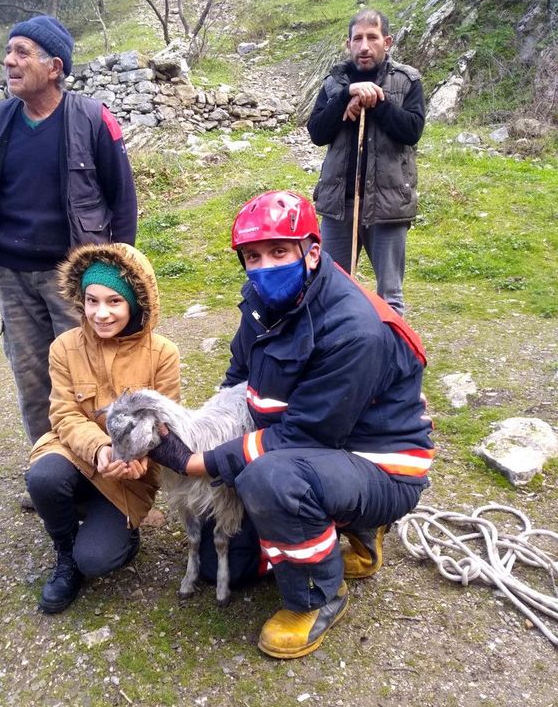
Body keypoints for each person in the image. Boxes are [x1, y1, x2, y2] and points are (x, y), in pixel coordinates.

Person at [148, 190, 434, 659]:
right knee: (232, 570)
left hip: (377, 465)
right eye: (253, 256)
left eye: (280, 252)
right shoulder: (261, 302)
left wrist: (197, 459)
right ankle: (347, 528)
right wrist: (205, 429)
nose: (265, 266)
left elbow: (302, 437)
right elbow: (239, 380)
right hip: (318, 451)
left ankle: (318, 598)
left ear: (312, 251)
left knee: (269, 478)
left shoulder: (354, 329)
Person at [0, 14, 138, 443]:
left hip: (75, 275)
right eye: (8, 51)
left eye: (22, 52)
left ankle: (105, 471)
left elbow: (122, 199)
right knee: (31, 379)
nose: (9, 61)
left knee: (90, 374)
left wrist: (117, 271)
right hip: (13, 274)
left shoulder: (92, 119)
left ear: (55, 67)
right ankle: (51, 466)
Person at [26, 241, 180, 613]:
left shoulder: (163, 354)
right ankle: (64, 553)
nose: (101, 313)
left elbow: (165, 425)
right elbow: (63, 414)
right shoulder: (64, 347)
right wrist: (100, 448)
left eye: (114, 301)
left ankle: (121, 534)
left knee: (97, 561)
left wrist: (137, 459)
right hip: (74, 453)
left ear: (136, 303)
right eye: (92, 301)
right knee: (43, 477)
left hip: (129, 474)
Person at [307, 8, 425, 315]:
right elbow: (317, 132)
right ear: (348, 44)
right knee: (330, 288)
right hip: (338, 204)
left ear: (387, 41)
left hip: (387, 205)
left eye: (372, 38)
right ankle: (338, 356)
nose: (364, 46)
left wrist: (376, 100)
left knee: (390, 297)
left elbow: (412, 131)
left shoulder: (407, 80)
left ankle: (390, 358)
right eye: (357, 38)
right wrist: (348, 95)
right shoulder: (335, 81)